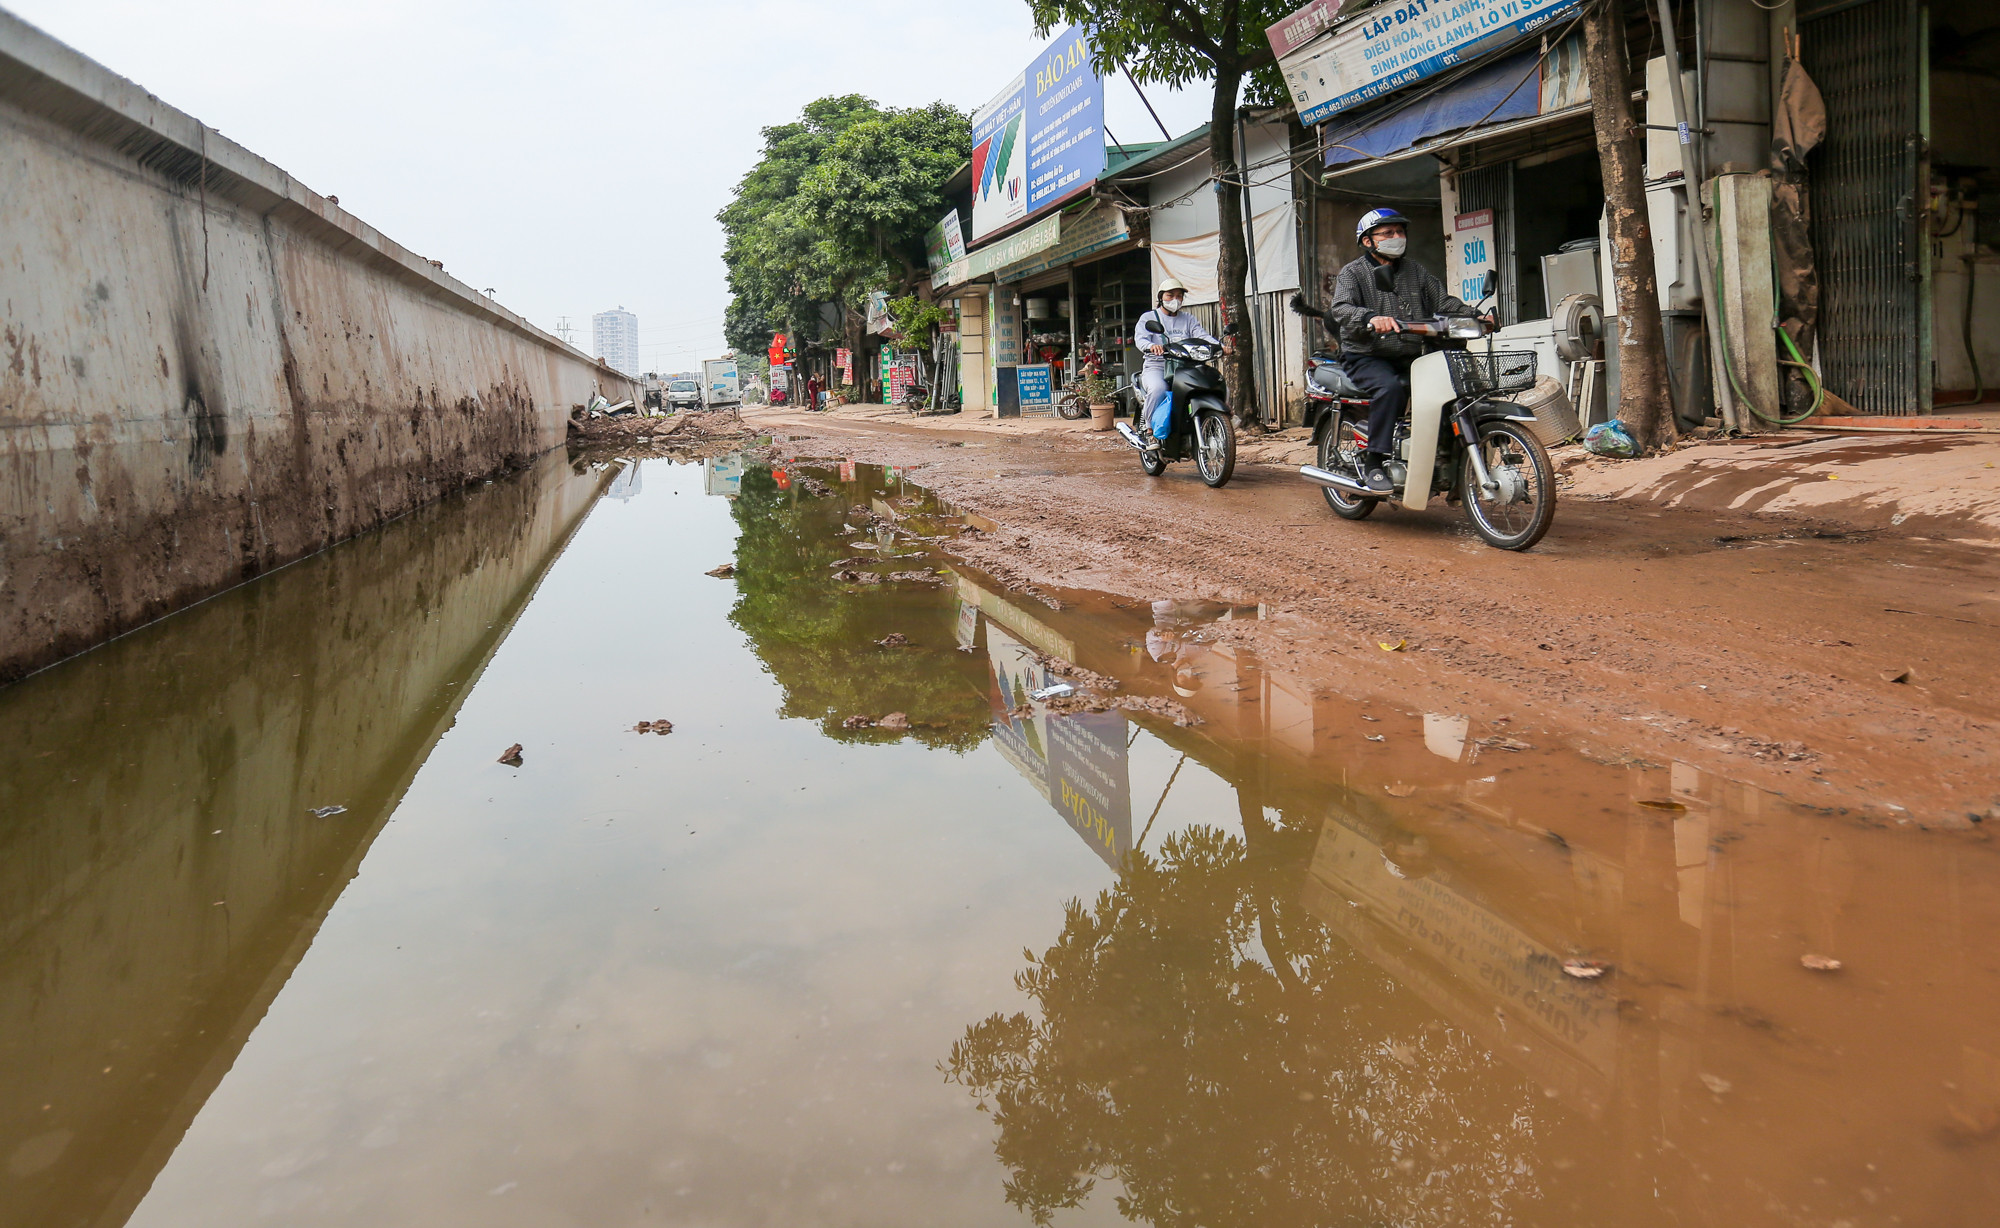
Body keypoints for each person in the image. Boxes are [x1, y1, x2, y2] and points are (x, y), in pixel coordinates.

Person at [1304, 208, 1484, 492]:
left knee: (1449, 386)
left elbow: (1443, 301)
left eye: (1400, 232)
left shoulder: (1415, 270)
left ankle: (1442, 456)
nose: (1397, 237)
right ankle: (1375, 462)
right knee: (1390, 388)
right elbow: (1340, 308)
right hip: (1366, 356)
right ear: (1367, 241)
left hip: (1410, 355)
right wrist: (1369, 317)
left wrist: (1475, 315)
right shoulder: (1353, 272)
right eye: (1388, 233)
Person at [1132, 278, 1220, 443]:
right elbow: (1140, 339)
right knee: (1158, 389)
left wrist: (1220, 346)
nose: (1175, 300)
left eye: (1179, 296)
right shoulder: (1149, 317)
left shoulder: (1188, 319)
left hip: (1185, 367)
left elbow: (1201, 335)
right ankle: (1149, 429)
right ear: (1161, 297)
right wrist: (1151, 346)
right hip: (1157, 366)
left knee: (1209, 383)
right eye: (1170, 295)